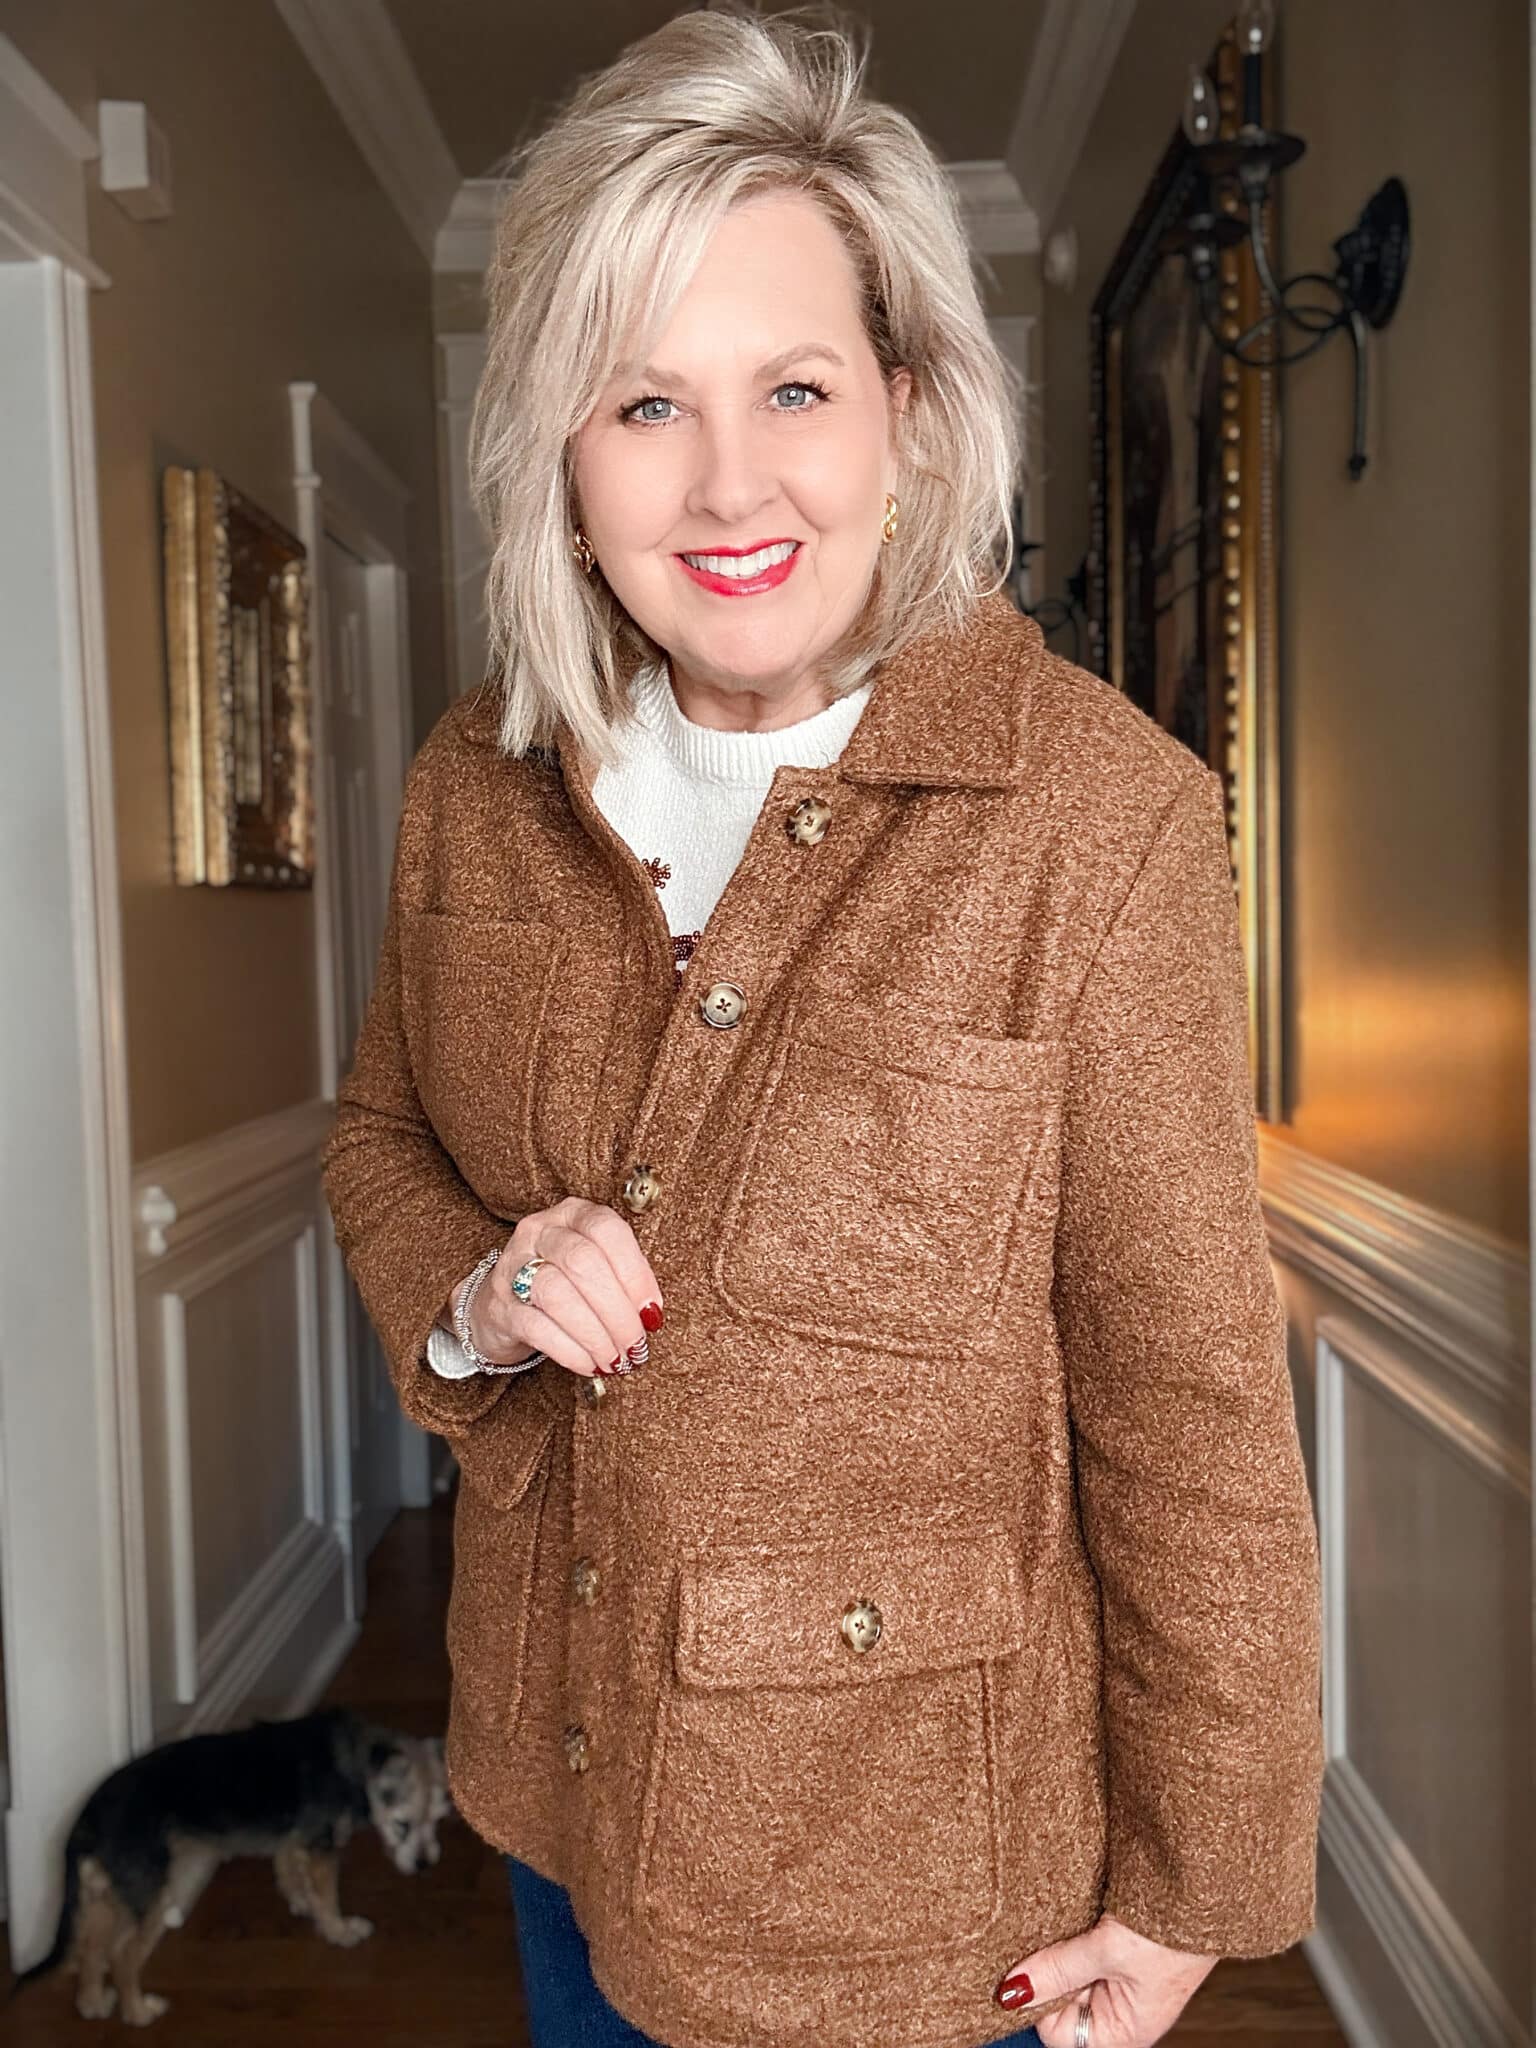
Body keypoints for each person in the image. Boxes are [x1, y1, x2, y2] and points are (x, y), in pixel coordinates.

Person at [320, 9, 1324, 2047]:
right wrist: (481, 1287)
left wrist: (1196, 1881)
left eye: (794, 386)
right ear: (561, 458)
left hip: (928, 1908)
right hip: (561, 1805)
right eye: (644, 406)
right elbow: (376, 1140)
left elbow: (1189, 1413)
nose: (730, 485)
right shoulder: (473, 785)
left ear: (907, 411)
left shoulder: (1101, 820)